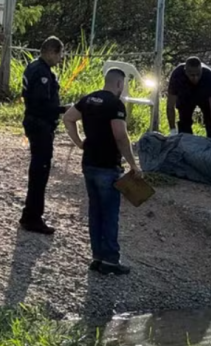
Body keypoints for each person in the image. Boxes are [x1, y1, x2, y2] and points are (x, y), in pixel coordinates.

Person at [62, 68, 140, 276]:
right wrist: (133, 164)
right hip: (108, 165)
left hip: (89, 163)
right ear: (119, 84)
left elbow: (68, 118)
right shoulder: (115, 104)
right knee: (110, 214)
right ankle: (111, 260)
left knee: (95, 211)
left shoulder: (88, 99)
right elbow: (120, 135)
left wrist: (79, 142)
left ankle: (97, 257)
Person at [19, 36, 68, 235]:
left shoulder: (34, 66)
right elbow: (41, 104)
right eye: (59, 54)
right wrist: (64, 109)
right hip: (40, 125)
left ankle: (31, 214)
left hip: (35, 122)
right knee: (40, 172)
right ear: (50, 52)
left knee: (38, 170)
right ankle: (32, 216)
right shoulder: (42, 72)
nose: (60, 58)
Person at [166, 57, 211, 142]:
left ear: (201, 70)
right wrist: (172, 130)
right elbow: (170, 105)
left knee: (210, 120)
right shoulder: (177, 75)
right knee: (184, 121)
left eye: (198, 74)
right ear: (185, 72)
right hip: (186, 95)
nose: (195, 78)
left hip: (204, 96)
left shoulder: (209, 75)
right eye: (192, 75)